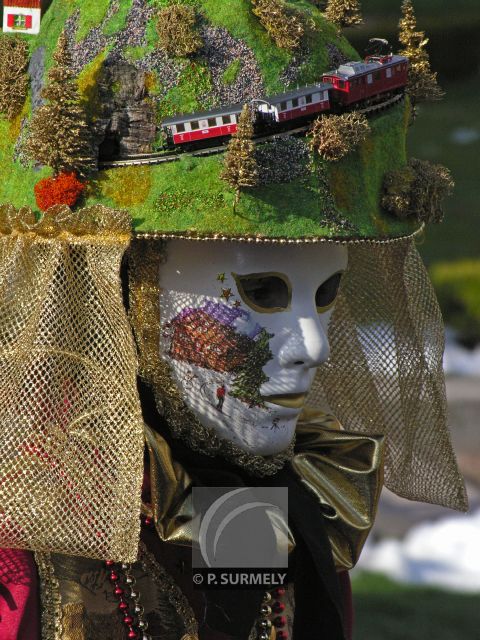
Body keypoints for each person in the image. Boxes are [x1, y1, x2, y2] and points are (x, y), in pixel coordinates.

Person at [0, 1, 467, 639]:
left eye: (327, 293)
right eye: (261, 293)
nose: (313, 346)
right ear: (120, 288)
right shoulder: (25, 528)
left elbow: (242, 621)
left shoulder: (250, 499)